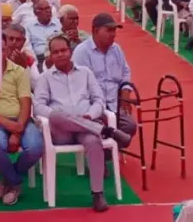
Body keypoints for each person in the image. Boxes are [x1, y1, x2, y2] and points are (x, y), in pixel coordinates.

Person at [33, 35, 131, 213]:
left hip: (85, 123)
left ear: (70, 51)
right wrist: (58, 116)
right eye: (55, 52)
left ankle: (98, 193)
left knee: (94, 142)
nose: (60, 54)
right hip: (61, 130)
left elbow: (99, 100)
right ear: (51, 56)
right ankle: (106, 130)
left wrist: (89, 115)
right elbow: (38, 106)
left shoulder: (85, 72)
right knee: (55, 115)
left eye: (63, 50)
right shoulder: (45, 77)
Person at [0, 25, 45, 204]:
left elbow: (25, 103)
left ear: (7, 50)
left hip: (20, 120)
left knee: (35, 148)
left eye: (3, 49)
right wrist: (6, 123)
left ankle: (7, 179)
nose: (0, 53)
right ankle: (15, 182)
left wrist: (17, 130)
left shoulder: (19, 71)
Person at [72, 13, 138, 147]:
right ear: (95, 31)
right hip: (92, 105)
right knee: (99, 129)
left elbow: (125, 71)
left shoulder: (116, 49)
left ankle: (109, 154)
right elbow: (80, 84)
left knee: (130, 126)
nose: (113, 34)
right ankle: (103, 159)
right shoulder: (82, 52)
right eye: (108, 30)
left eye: (114, 30)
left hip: (114, 103)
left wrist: (125, 91)